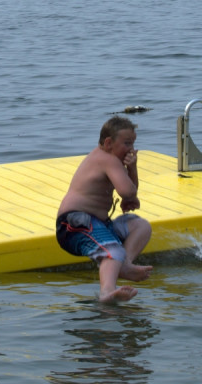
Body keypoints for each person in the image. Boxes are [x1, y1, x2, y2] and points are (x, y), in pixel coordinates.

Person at [56, 116, 153, 303]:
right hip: (74, 224)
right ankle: (107, 291)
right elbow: (127, 192)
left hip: (97, 223)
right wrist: (132, 168)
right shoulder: (108, 159)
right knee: (113, 251)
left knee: (140, 226)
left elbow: (129, 194)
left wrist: (130, 182)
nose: (131, 149)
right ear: (108, 143)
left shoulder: (109, 158)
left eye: (133, 143)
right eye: (126, 143)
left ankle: (125, 264)